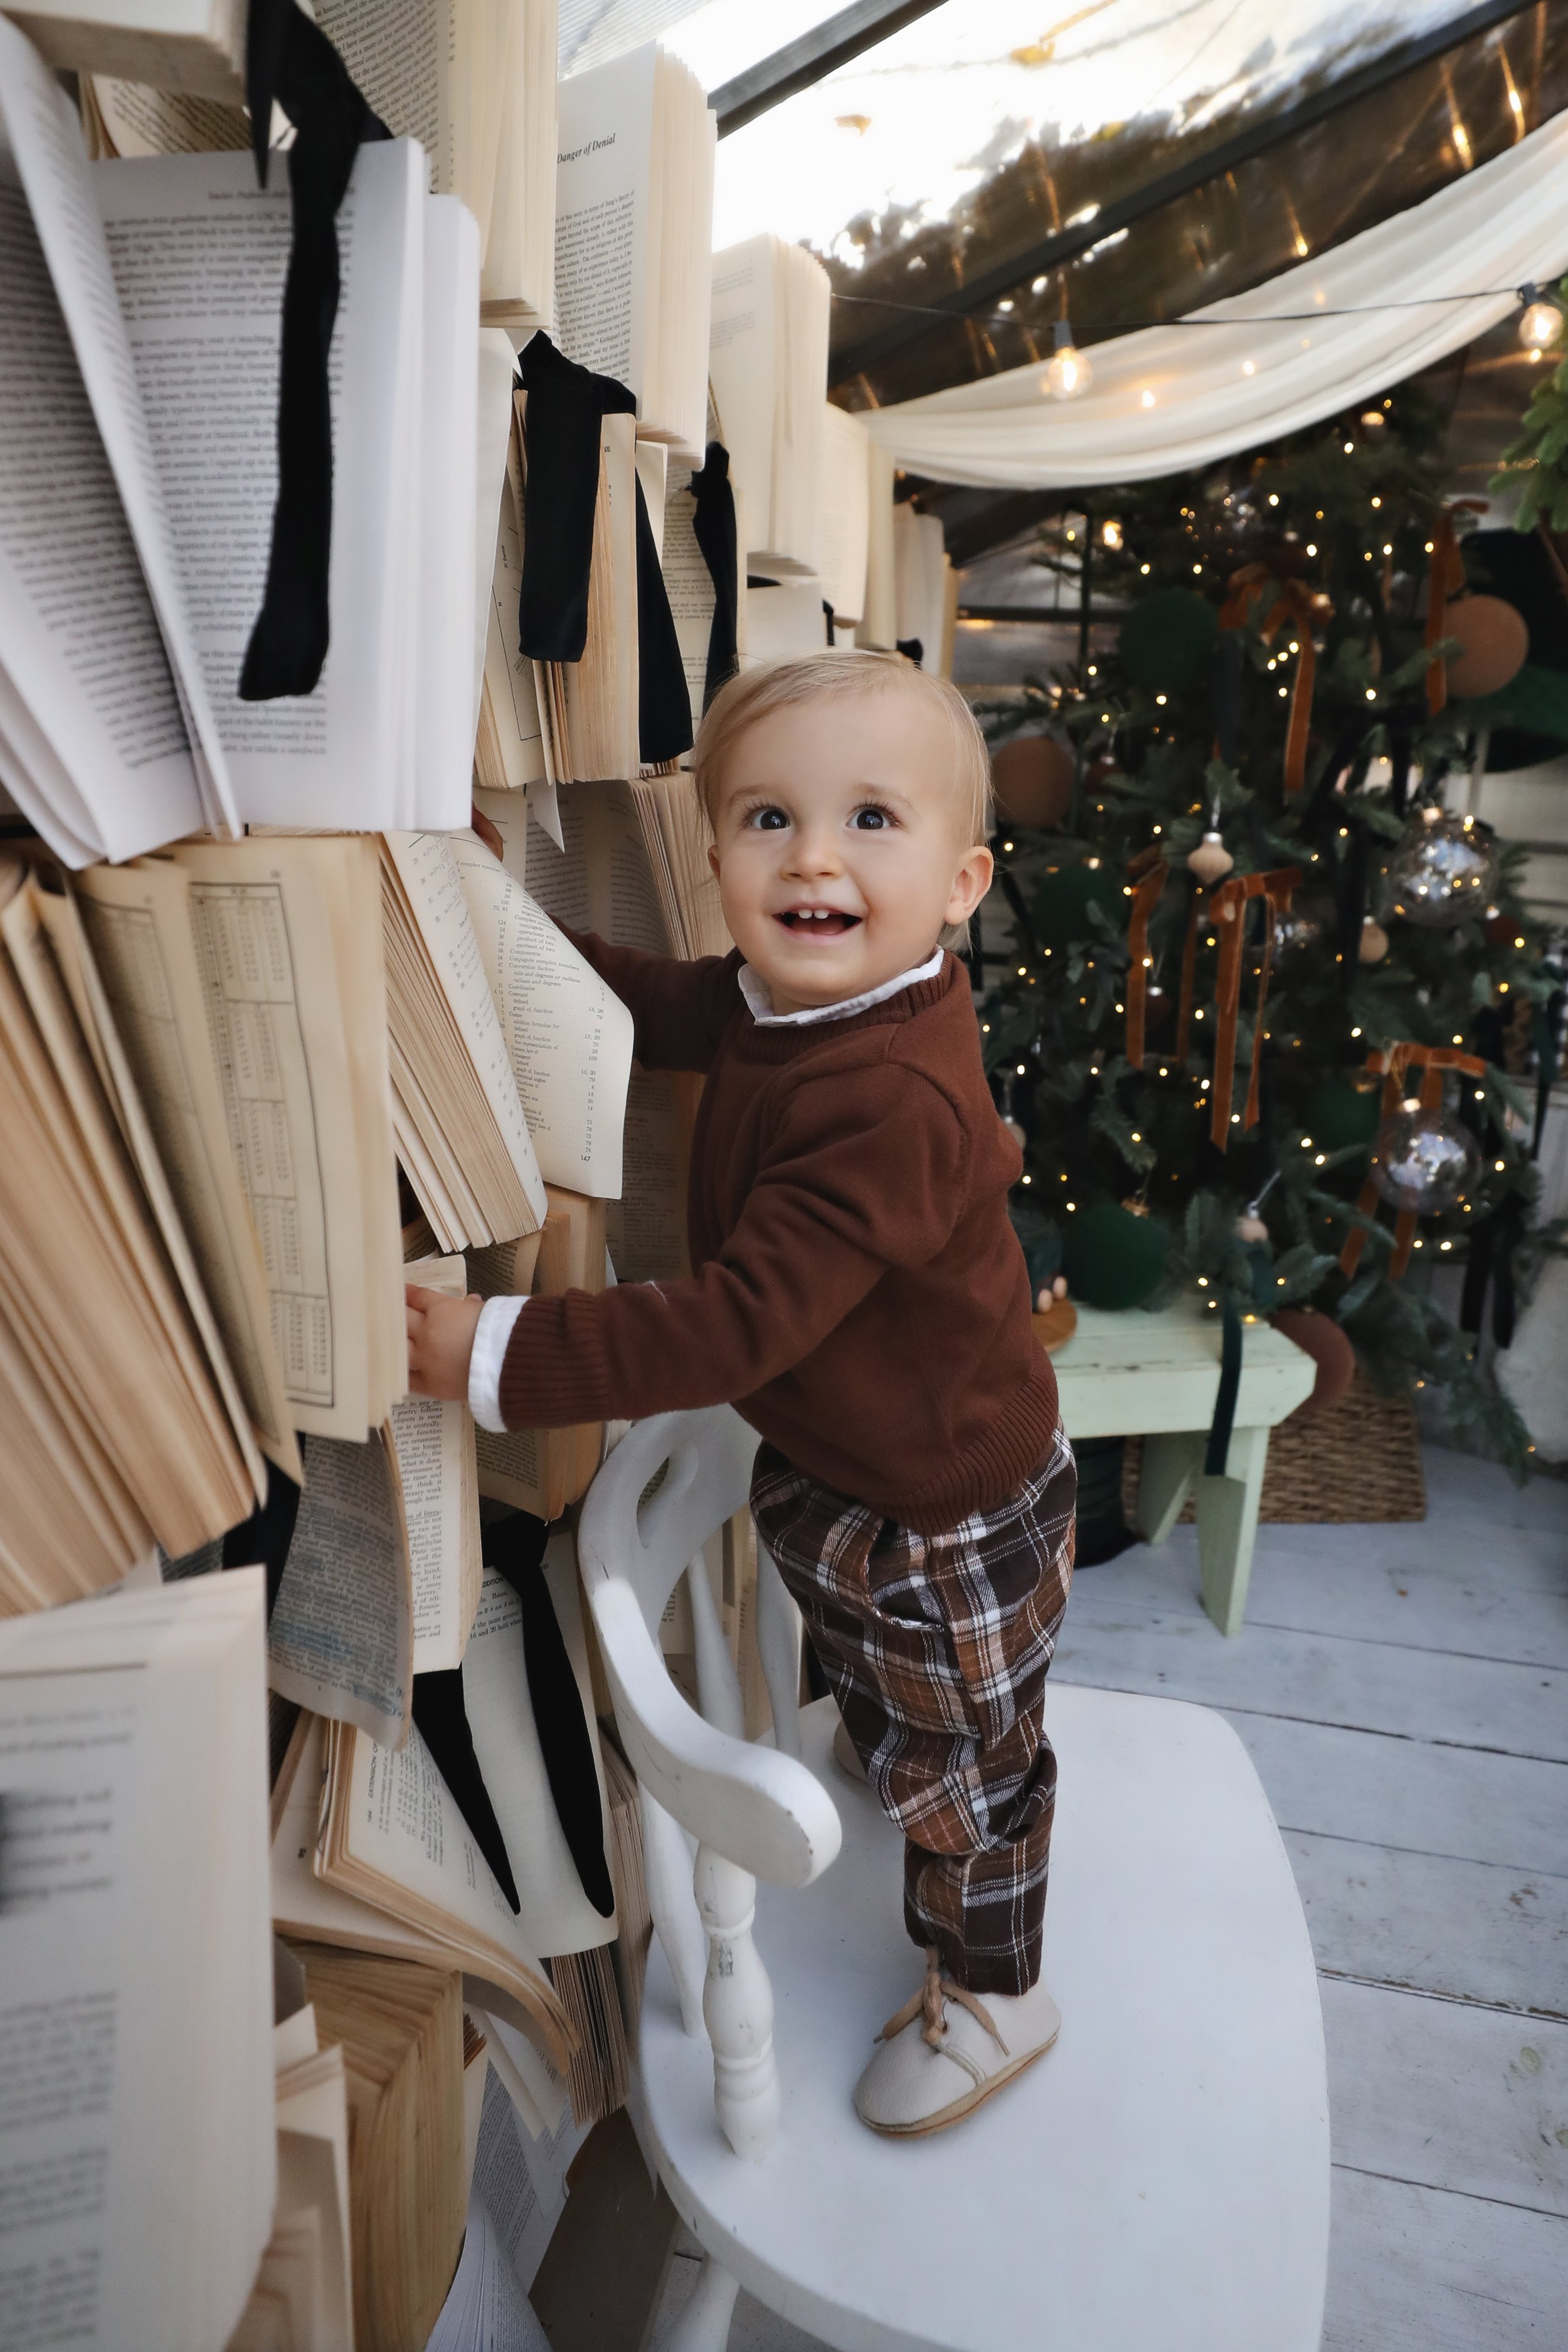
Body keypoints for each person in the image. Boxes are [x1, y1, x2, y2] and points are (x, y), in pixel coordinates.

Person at [407, 650, 1076, 2137]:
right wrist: (493, 923)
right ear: (714, 853)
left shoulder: (888, 1096)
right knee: (893, 1702)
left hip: (944, 1511)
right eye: (766, 818)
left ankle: (997, 1987)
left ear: (962, 882)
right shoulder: (793, 998)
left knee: (970, 1768)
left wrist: (493, 1351)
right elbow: (654, 1006)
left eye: (868, 822)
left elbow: (729, 1329)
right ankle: (891, 1743)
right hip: (861, 1465)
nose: (813, 855)